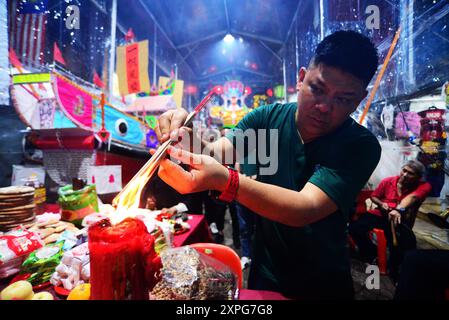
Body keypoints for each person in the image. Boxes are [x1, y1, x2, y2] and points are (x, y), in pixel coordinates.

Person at [154, 30, 381, 299]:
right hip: (266, 272)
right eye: (317, 89)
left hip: (322, 279)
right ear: (301, 78)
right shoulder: (267, 119)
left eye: (342, 99)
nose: (323, 106)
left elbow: (304, 208)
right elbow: (216, 152)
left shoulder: (359, 145)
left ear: (359, 99)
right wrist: (185, 134)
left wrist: (228, 182)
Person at [348, 160, 432, 280]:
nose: (405, 175)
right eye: (404, 170)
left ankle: (396, 273)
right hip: (380, 214)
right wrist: (381, 204)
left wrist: (398, 210)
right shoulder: (388, 181)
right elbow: (374, 196)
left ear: (418, 177)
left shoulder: (424, 186)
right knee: (354, 228)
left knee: (402, 244)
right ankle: (371, 253)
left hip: (400, 219)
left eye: (410, 173)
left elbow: (412, 197)